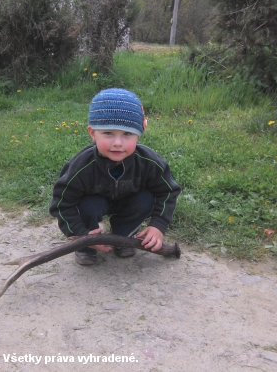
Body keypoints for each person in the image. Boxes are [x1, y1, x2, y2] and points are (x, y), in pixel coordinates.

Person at [49, 88, 181, 266]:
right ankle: (86, 245)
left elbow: (168, 191)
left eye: (127, 134)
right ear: (92, 133)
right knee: (88, 206)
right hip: (95, 204)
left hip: (128, 200)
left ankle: (123, 237)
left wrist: (158, 225)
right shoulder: (81, 167)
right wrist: (80, 233)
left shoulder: (149, 162)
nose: (118, 143)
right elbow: (61, 203)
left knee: (146, 198)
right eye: (108, 133)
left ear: (139, 134)